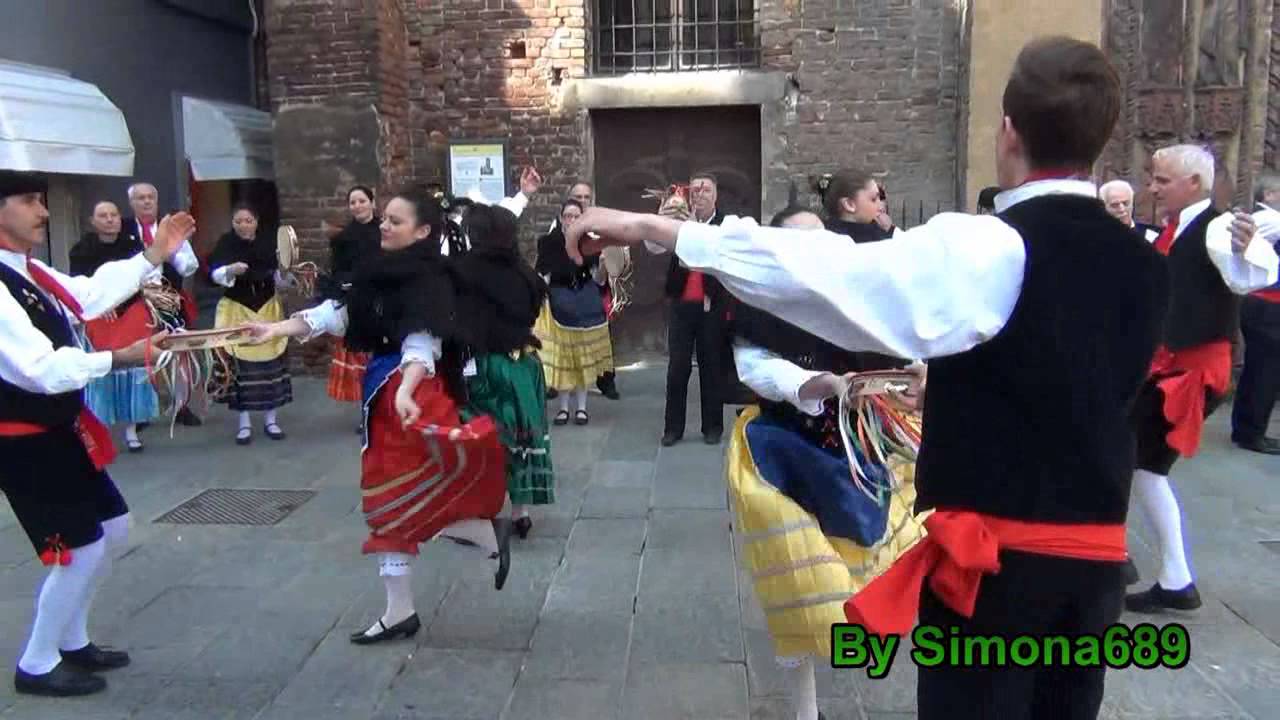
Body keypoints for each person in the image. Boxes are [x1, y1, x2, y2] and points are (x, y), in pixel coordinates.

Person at [563, 36, 1243, 720]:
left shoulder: (996, 244)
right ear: (1100, 140)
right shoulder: (1142, 262)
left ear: (1009, 132)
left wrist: (661, 228)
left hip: (995, 580)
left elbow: (832, 274)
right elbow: (1062, 379)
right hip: (1092, 576)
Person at [245, 188, 513, 646]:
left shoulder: (430, 280)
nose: (384, 226)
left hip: (408, 395)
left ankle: (456, 557)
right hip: (386, 391)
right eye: (384, 218)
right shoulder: (374, 271)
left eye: (395, 221)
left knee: (392, 498)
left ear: (423, 231)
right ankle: (414, 597)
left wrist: (407, 389)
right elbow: (336, 315)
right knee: (395, 501)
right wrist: (273, 328)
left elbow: (421, 344)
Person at [728, 205, 925, 720]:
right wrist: (813, 385)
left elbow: (900, 352)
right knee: (795, 577)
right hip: (783, 447)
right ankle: (804, 708)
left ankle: (876, 627)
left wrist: (910, 374)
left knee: (881, 550)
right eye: (797, 241)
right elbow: (755, 367)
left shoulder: (857, 299)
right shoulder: (757, 305)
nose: (812, 251)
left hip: (860, 440)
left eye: (820, 240)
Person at [0, 169, 190, 697]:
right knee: (80, 548)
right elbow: (37, 368)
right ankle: (37, 662)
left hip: (55, 427)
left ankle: (74, 640)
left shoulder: (30, 270)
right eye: (29, 201)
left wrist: (152, 257)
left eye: (42, 200)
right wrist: (117, 358)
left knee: (114, 527)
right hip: (23, 438)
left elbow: (87, 293)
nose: (42, 211)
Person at [1125, 145, 1279, 612]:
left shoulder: (1214, 225)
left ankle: (1164, 575)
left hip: (1192, 370)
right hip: (1171, 364)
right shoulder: (1173, 230)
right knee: (1137, 462)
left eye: (1162, 179)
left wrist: (1244, 248)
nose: (1151, 187)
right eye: (1153, 178)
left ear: (1194, 182)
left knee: (1142, 464)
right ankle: (1156, 571)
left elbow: (1248, 273)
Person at [454, 202, 554, 540]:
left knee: (485, 440)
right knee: (523, 436)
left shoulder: (464, 272)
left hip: (486, 367)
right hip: (524, 365)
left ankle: (483, 516)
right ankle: (520, 513)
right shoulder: (525, 272)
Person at [69, 201, 158, 453]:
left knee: (134, 372)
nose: (109, 219)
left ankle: (132, 431)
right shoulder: (81, 250)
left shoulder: (133, 246)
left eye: (114, 214)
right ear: (92, 221)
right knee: (101, 374)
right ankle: (100, 430)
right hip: (100, 316)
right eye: (103, 215)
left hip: (132, 312)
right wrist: (100, 302)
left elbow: (143, 278)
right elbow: (80, 285)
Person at [208, 205, 293, 445]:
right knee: (241, 368)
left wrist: (287, 275)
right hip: (237, 308)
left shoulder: (268, 243)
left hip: (267, 308)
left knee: (271, 365)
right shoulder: (226, 243)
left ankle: (271, 420)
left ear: (256, 222)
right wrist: (230, 270)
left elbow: (280, 277)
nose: (243, 225)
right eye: (238, 221)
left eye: (248, 220)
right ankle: (243, 424)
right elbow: (214, 274)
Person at [120, 182, 202, 426]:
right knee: (139, 353)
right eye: (140, 198)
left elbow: (190, 266)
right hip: (134, 301)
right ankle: (141, 409)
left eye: (150, 198)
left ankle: (181, 405)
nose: (146, 202)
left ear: (156, 201)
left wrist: (172, 250)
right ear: (131, 203)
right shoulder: (122, 230)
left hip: (168, 299)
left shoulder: (170, 230)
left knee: (178, 352)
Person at [657, 171, 729, 446]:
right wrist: (664, 218)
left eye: (706, 190)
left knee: (712, 367)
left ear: (716, 196)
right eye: (695, 190)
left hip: (712, 306)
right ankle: (673, 428)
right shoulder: (677, 222)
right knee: (677, 368)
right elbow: (653, 247)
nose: (700, 195)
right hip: (681, 305)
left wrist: (691, 227)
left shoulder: (725, 225)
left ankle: (712, 427)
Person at [534, 199, 614, 426]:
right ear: (560, 219)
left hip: (585, 299)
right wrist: (540, 301)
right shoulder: (548, 242)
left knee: (583, 354)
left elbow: (598, 279)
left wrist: (606, 266)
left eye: (576, 216)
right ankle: (562, 408)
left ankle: (581, 408)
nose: (571, 220)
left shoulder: (589, 243)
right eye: (567, 216)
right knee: (564, 355)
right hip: (560, 298)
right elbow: (542, 274)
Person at [1229, 171, 1280, 454]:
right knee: (1266, 371)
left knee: (1257, 368)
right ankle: (1253, 432)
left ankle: (1246, 427)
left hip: (1258, 303)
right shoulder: (1271, 219)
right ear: (1269, 195)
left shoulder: (1259, 220)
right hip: (1268, 304)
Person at [325, 186, 381, 431]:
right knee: (364, 365)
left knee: (384, 360)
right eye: (352, 202)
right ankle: (366, 413)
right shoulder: (343, 238)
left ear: (372, 202)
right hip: (358, 305)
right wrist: (344, 284)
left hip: (384, 301)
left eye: (361, 201)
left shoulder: (385, 230)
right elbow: (336, 272)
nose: (357, 206)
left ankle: (385, 410)